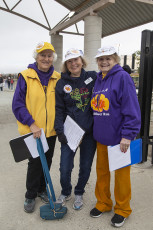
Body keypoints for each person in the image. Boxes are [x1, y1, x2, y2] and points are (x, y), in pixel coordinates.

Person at [90, 46, 141, 227]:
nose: (104, 62)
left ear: (116, 60)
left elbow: (132, 109)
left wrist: (127, 135)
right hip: (102, 137)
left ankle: (122, 209)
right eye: (101, 59)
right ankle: (103, 203)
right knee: (102, 173)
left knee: (121, 177)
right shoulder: (98, 79)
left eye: (108, 58)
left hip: (120, 139)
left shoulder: (123, 77)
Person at [12, 41, 60, 213]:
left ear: (52, 58)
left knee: (47, 161)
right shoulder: (26, 76)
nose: (46, 59)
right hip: (34, 131)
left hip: (51, 131)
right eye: (42, 55)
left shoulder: (57, 77)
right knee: (35, 163)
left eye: (49, 56)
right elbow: (17, 105)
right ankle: (30, 194)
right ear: (36, 57)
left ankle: (41, 189)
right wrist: (31, 123)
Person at [55, 48, 97, 210]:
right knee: (65, 167)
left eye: (76, 60)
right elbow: (59, 109)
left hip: (89, 133)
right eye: (70, 61)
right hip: (69, 133)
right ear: (66, 64)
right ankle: (66, 191)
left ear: (82, 61)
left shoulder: (92, 77)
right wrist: (60, 130)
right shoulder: (61, 83)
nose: (73, 63)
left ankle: (79, 191)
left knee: (85, 166)